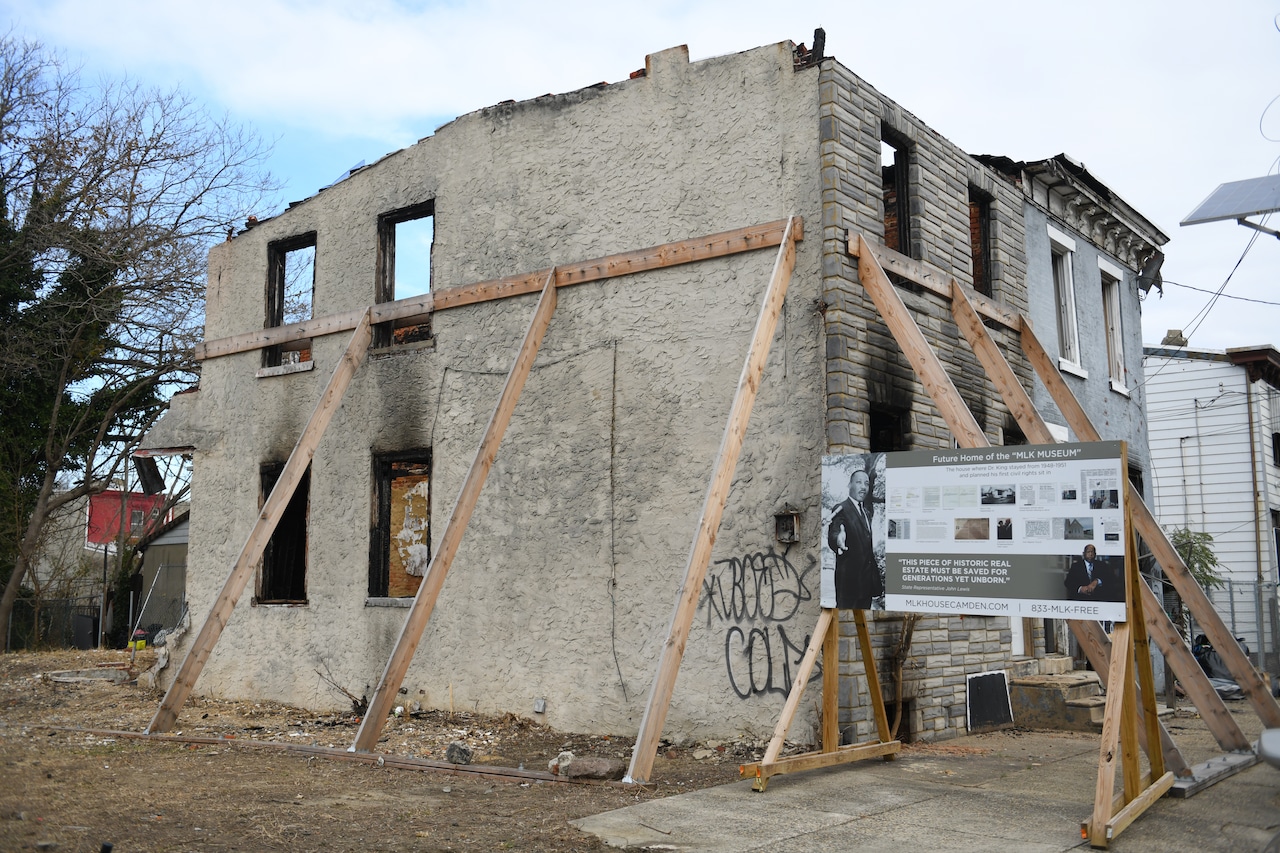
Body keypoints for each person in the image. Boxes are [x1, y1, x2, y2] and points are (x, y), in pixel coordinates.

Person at [827, 470, 881, 609]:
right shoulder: (841, 509)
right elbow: (835, 531)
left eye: (866, 484)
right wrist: (838, 539)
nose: (863, 487)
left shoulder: (866, 513)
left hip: (866, 587)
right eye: (858, 482)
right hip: (848, 587)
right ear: (849, 485)